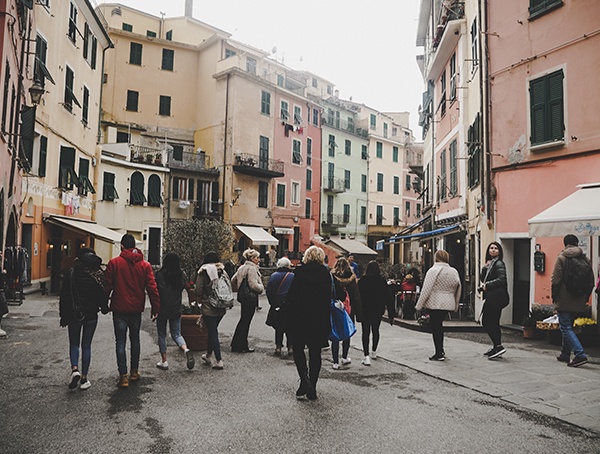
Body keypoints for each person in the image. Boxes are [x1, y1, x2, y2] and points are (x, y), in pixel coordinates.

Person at [105, 234, 160, 388]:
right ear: (134, 247)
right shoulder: (145, 265)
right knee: (135, 339)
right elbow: (152, 288)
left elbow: (107, 286)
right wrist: (156, 307)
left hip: (119, 308)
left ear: (122, 246)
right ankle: (134, 372)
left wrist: (103, 304)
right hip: (136, 309)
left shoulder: (114, 263)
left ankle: (123, 376)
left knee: (120, 341)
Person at [287, 246, 338, 400]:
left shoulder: (299, 273)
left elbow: (291, 297)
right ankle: (312, 387)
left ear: (307, 257)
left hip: (300, 318)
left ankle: (304, 379)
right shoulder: (326, 274)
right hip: (319, 319)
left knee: (298, 349)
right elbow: (335, 294)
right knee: (315, 352)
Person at [59, 248, 109, 390]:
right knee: (86, 345)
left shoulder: (72, 273)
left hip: (74, 314)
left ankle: (75, 369)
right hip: (91, 315)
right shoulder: (98, 274)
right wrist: (105, 308)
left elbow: (64, 295)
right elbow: (102, 296)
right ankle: (84, 378)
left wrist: (63, 315)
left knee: (74, 344)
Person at [551, 234, 593, 367]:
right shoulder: (585, 259)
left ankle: (580, 354)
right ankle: (565, 354)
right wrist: (585, 298)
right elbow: (591, 281)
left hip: (564, 298)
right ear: (577, 243)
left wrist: (554, 297)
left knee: (565, 327)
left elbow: (556, 279)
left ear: (565, 244)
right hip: (579, 299)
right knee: (568, 326)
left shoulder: (562, 258)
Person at [415, 250, 461, 361]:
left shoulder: (433, 270)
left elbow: (426, 289)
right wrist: (456, 303)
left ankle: (438, 352)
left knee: (436, 327)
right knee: (439, 325)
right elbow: (458, 287)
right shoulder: (453, 271)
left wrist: (419, 305)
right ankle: (440, 349)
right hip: (448, 301)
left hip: (435, 302)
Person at [154, 253, 194, 371]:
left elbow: (156, 290)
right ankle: (186, 349)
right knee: (176, 333)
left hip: (162, 308)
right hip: (176, 308)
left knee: (162, 334)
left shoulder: (160, 275)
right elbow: (183, 287)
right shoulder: (181, 275)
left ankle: (164, 361)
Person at [195, 252, 230, 369]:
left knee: (213, 332)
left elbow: (198, 291)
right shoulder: (223, 272)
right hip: (221, 305)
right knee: (212, 330)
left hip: (209, 306)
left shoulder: (204, 272)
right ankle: (208, 355)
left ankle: (219, 360)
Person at [358, 260, 395, 364]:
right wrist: (391, 314)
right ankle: (374, 351)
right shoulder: (381, 281)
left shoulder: (363, 280)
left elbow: (358, 297)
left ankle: (366, 356)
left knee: (365, 332)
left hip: (365, 309)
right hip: (378, 309)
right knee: (375, 330)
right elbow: (388, 298)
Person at [230, 248, 264, 352]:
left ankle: (237, 344)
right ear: (252, 258)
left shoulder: (242, 267)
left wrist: (240, 286)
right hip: (250, 297)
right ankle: (241, 345)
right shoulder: (252, 269)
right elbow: (252, 284)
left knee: (243, 320)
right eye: (257, 257)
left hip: (243, 297)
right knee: (246, 321)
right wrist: (261, 288)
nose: (259, 259)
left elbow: (233, 280)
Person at [480, 242, 509, 360]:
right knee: (493, 322)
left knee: (487, 321)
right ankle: (496, 346)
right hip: (493, 297)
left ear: (499, 251)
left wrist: (488, 285)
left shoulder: (499, 263)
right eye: (491, 248)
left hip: (496, 298)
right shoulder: (491, 264)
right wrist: (484, 268)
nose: (493, 250)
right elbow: (483, 278)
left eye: (495, 248)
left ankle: (498, 346)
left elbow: (502, 279)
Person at [330, 257, 362, 367]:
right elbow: (356, 296)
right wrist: (359, 313)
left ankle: (335, 361)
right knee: (346, 332)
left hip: (335, 308)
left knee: (335, 333)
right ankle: (344, 357)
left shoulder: (332, 277)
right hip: (349, 309)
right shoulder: (352, 278)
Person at [266, 257, 294, 357]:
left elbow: (269, 291)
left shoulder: (273, 276)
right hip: (290, 306)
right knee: (290, 327)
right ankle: (290, 347)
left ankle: (278, 347)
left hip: (277, 305)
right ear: (287, 265)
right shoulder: (292, 276)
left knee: (279, 327)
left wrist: (273, 303)